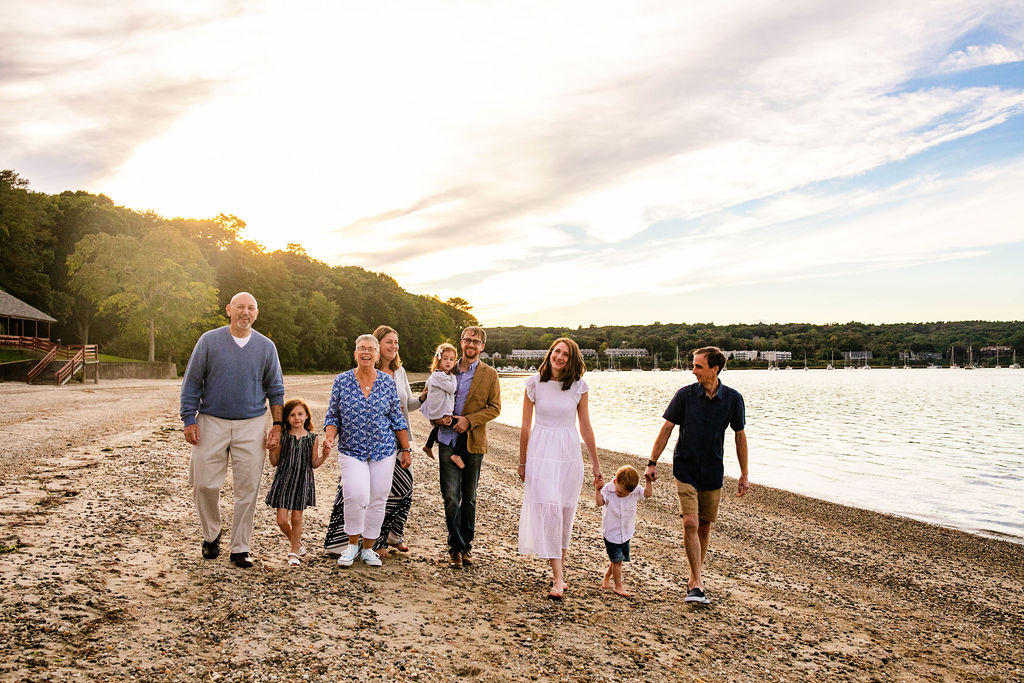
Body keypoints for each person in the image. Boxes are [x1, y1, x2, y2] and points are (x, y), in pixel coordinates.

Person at [180, 292, 285, 569]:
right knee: (204, 483)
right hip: (210, 420)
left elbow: (275, 389)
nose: (245, 312)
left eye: (251, 308)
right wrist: (188, 419)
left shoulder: (266, 347)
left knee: (247, 488)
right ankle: (211, 535)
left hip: (251, 423)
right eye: (240, 307)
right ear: (229, 310)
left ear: (257, 313)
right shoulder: (209, 341)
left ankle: (240, 547)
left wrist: (277, 425)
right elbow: (191, 383)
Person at [645, 345, 749, 604]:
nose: (693, 371)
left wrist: (744, 473)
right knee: (690, 522)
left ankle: (694, 577)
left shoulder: (734, 399)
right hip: (686, 467)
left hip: (714, 470)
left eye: (698, 366)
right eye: (693, 365)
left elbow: (739, 436)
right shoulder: (684, 396)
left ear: (715, 369)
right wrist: (652, 462)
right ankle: (698, 583)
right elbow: (667, 428)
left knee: (704, 524)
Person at [323, 326, 423, 556]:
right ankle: (347, 544)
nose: (394, 346)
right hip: (354, 447)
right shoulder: (345, 380)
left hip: (390, 444)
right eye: (389, 342)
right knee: (353, 492)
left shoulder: (396, 375)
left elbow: (402, 410)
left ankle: (384, 540)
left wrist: (406, 446)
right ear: (357, 352)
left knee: (393, 492)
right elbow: (333, 415)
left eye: (396, 343)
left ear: (376, 353)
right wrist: (330, 437)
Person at [517, 337, 600, 599]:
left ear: (572, 359)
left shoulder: (579, 387)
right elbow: (525, 427)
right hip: (541, 453)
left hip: (568, 453)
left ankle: (559, 573)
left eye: (565, 354)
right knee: (551, 510)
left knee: (564, 513)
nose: (559, 357)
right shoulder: (534, 384)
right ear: (550, 353)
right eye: (556, 351)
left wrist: (596, 464)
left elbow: (585, 426)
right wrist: (522, 462)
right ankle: (558, 578)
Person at [434, 326, 501, 568]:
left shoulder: (490, 374)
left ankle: (466, 546)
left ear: (482, 346)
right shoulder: (446, 367)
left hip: (473, 441)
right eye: (467, 340)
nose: (471, 344)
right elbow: (432, 398)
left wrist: (468, 420)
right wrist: (436, 418)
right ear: (461, 342)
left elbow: (495, 408)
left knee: (469, 498)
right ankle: (455, 548)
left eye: (476, 341)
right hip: (447, 440)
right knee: (451, 496)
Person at [265, 397, 327, 566]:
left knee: (297, 519)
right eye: (292, 415)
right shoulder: (283, 437)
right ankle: (297, 542)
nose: (297, 418)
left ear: (307, 416)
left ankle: (293, 553)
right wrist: (271, 450)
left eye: (300, 414)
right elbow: (274, 462)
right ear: (286, 418)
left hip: (302, 480)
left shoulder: (312, 438)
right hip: (284, 480)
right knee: (282, 521)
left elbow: (314, 464)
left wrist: (324, 456)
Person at [595, 464, 653, 597]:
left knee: (617, 559)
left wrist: (648, 481)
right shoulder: (608, 490)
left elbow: (647, 494)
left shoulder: (634, 490)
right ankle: (618, 586)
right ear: (615, 481)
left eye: (626, 494)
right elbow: (599, 503)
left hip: (626, 532)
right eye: (620, 492)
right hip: (611, 533)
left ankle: (606, 577)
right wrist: (597, 490)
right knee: (617, 561)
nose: (621, 495)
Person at [420, 343, 458, 464]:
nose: (448, 362)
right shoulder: (439, 376)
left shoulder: (439, 375)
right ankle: (457, 455)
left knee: (439, 427)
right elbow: (452, 389)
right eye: (445, 358)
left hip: (440, 409)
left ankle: (428, 446)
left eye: (452, 359)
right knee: (462, 428)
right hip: (439, 410)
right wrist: (453, 376)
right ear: (439, 360)